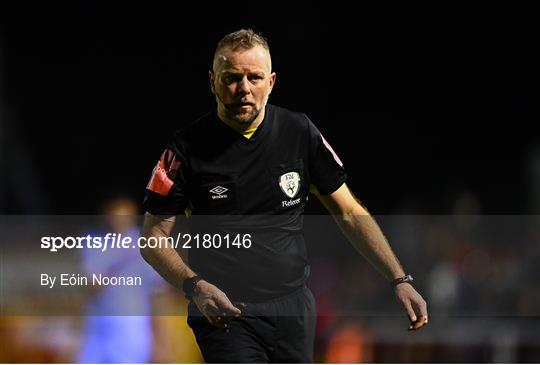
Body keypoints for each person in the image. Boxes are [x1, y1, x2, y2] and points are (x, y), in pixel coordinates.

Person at [141, 29, 428, 363]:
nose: (243, 88)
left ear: (272, 81)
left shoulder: (299, 132)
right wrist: (195, 286)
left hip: (293, 310)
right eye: (231, 78)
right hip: (224, 312)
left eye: (254, 77)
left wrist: (399, 278)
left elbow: (349, 211)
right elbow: (153, 237)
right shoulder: (184, 150)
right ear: (212, 81)